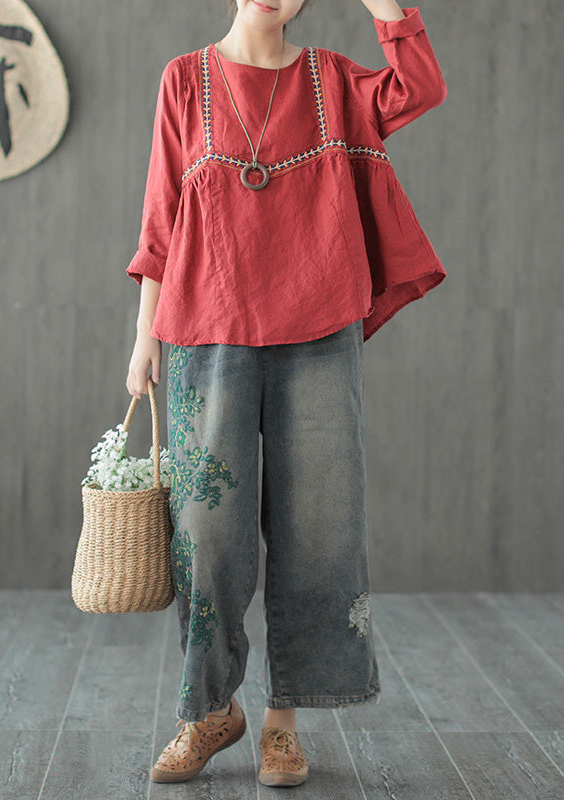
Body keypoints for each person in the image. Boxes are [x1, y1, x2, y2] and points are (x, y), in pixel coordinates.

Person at [125, 0, 447, 787]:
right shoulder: (185, 79)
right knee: (205, 536)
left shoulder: (332, 81)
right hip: (207, 331)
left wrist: (385, 6)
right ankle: (208, 711)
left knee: (318, 529)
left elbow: (419, 86)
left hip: (318, 330)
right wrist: (143, 338)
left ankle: (282, 725)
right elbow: (163, 217)